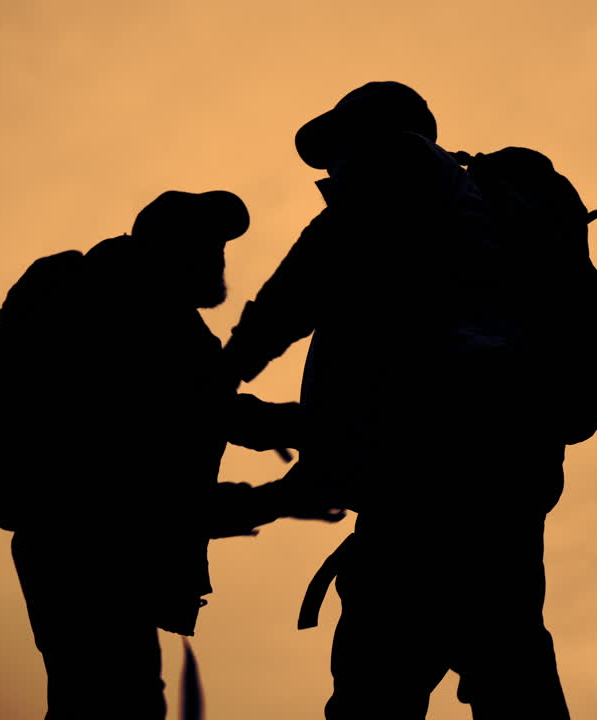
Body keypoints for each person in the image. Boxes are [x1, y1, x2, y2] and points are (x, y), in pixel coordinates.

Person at [224, 82, 571, 719]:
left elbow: (295, 292)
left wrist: (223, 372)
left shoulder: (395, 170)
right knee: (507, 654)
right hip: (511, 459)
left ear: (376, 133)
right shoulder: (487, 206)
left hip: (425, 467)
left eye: (337, 148)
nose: (331, 168)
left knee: (379, 675)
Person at [7, 190, 341, 719]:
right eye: (206, 245)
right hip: (93, 552)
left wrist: (303, 450)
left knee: (104, 698)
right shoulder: (131, 316)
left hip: (80, 551)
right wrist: (296, 477)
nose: (219, 258)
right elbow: (149, 490)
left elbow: (211, 419)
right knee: (114, 701)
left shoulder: (144, 314)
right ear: (167, 249)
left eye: (220, 245)